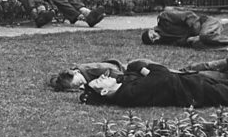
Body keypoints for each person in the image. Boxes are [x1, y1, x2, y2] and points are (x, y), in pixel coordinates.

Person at [80, 58, 228, 107]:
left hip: (190, 82)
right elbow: (162, 74)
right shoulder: (129, 94)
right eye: (100, 81)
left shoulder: (124, 84)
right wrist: (145, 69)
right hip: (196, 91)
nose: (104, 77)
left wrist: (138, 68)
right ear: (105, 92)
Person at [49, 58, 228, 92]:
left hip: (138, 68)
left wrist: (114, 80)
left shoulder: (90, 69)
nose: (80, 85)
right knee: (182, 74)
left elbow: (114, 69)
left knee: (183, 75)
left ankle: (220, 68)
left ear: (74, 73)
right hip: (136, 72)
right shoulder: (82, 74)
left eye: (77, 83)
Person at [141, 7, 228, 48]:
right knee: (198, 45)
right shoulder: (166, 39)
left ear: (152, 30)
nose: (156, 39)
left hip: (207, 22)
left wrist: (196, 34)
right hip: (204, 34)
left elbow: (189, 15)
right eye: (154, 41)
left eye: (153, 36)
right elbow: (184, 41)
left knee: (203, 36)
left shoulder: (164, 18)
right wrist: (189, 40)